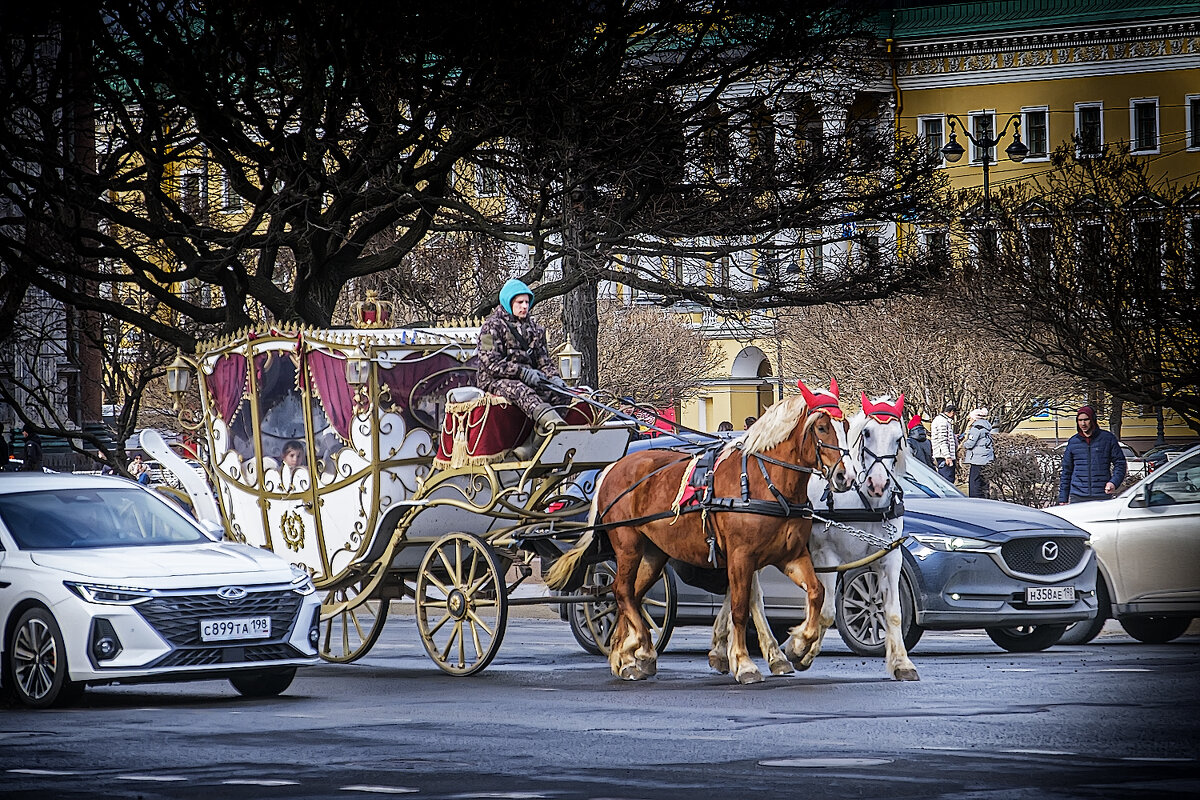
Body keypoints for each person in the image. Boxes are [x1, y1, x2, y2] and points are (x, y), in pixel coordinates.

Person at [476, 278, 566, 433]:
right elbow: (489, 363)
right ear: (508, 302)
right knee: (523, 391)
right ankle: (553, 427)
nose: (525, 306)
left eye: (526, 302)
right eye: (520, 302)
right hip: (495, 380)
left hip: (532, 377)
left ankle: (534, 444)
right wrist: (522, 373)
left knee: (561, 394)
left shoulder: (536, 329)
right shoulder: (489, 328)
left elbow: (544, 361)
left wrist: (554, 378)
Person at [1058, 405, 1127, 504]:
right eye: (1080, 420)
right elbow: (1066, 472)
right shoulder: (1073, 442)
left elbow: (1120, 463)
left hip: (1101, 495)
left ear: (1093, 420)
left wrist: (1113, 482)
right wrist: (1063, 498)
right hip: (1078, 496)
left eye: (1086, 419)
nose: (1083, 423)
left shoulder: (1107, 439)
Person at [961, 407, 995, 498]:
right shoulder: (986, 427)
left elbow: (970, 444)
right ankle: (984, 497)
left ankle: (975, 499)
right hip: (986, 458)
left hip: (977, 459)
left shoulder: (976, 428)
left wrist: (964, 443)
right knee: (983, 480)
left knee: (974, 481)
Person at [931, 402, 957, 483]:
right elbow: (942, 440)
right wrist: (947, 456)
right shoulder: (942, 422)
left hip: (943, 455)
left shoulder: (941, 420)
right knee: (947, 480)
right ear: (952, 412)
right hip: (944, 456)